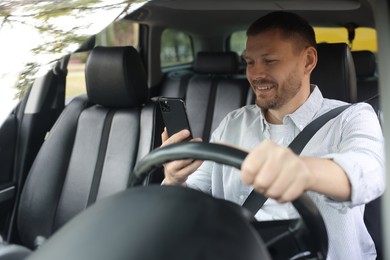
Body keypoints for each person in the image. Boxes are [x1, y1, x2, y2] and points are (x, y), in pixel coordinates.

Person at [160, 11, 385, 259]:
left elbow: (370, 171)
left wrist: (303, 171)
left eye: (270, 61)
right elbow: (195, 199)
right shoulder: (233, 123)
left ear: (308, 61)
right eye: (250, 62)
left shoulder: (352, 117)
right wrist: (174, 179)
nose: (256, 75)